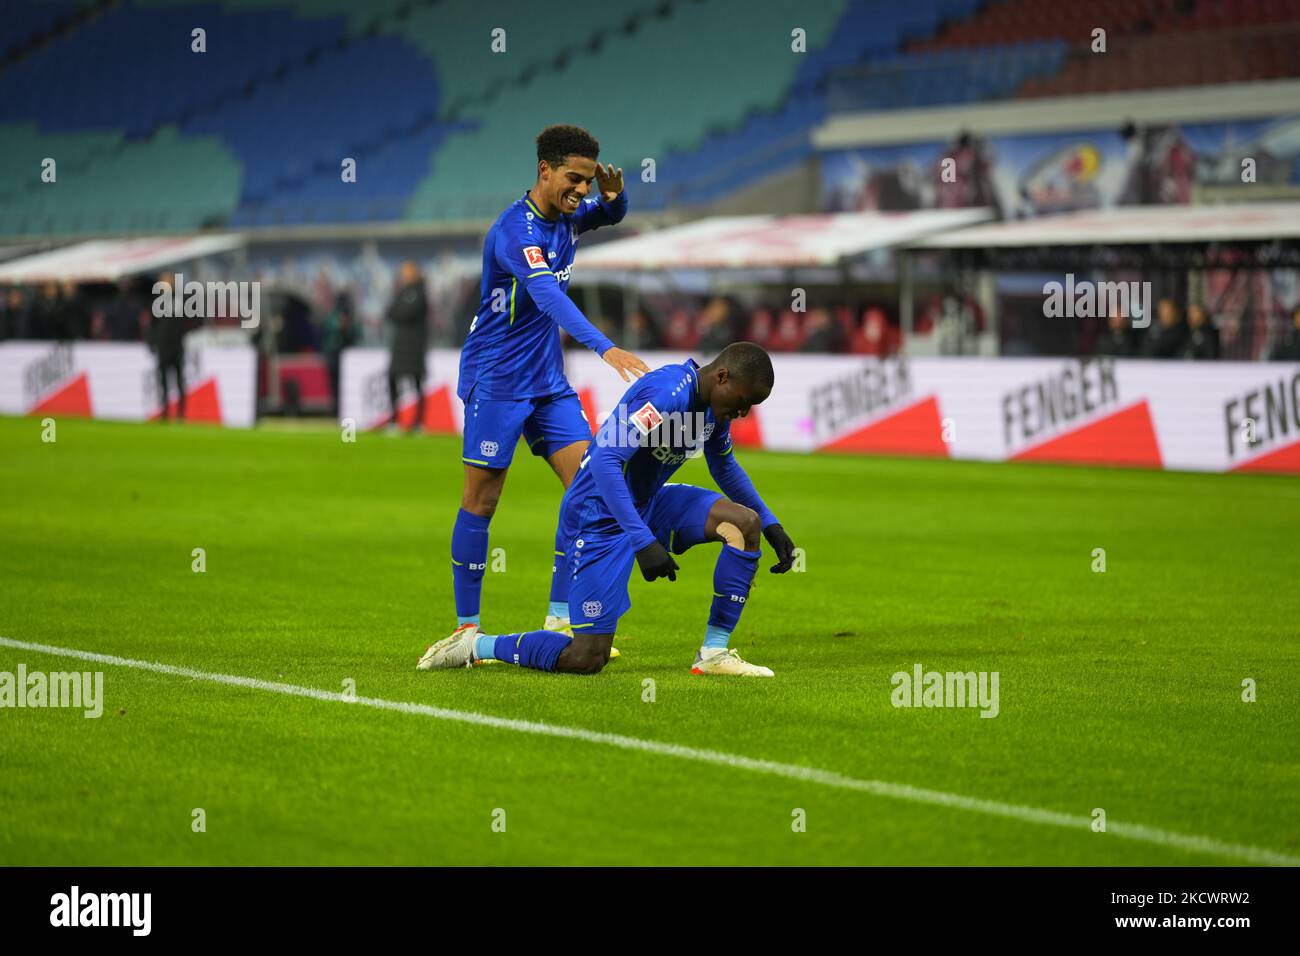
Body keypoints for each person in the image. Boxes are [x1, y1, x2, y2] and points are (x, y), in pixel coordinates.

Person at [419, 342, 797, 677]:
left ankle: (713, 653)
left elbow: (724, 466)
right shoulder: (666, 395)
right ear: (722, 375)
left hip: (647, 502)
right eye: (744, 401)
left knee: (742, 525)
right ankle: (474, 645)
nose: (744, 412)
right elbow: (605, 461)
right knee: (586, 657)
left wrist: (770, 524)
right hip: (599, 513)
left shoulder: (714, 410)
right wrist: (642, 541)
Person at [442, 124, 649, 653]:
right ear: (544, 170)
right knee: (482, 501)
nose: (581, 191)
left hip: (549, 384)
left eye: (586, 182)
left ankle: (559, 618)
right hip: (497, 380)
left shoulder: (571, 216)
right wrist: (606, 348)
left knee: (589, 487)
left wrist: (615, 194)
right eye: (573, 179)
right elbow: (549, 301)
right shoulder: (515, 232)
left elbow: (614, 213)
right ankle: (467, 627)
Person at [385, 261, 428, 433]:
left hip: (414, 345)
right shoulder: (402, 292)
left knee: (417, 383)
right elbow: (391, 312)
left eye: (407, 272)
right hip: (400, 345)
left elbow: (403, 313)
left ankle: (419, 422)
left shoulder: (419, 294)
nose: (404, 275)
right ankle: (395, 420)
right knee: (393, 380)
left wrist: (400, 311)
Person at [150, 272, 187, 421]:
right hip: (163, 346)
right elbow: (153, 325)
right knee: (163, 381)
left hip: (177, 346)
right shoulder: (157, 301)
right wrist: (153, 342)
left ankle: (181, 413)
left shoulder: (182, 299)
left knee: (179, 381)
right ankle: (164, 411)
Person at [321, 290, 359, 416]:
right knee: (336, 386)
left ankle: (340, 410)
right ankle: (337, 410)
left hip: (342, 357)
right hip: (335, 356)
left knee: (342, 386)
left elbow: (355, 335)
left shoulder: (339, 317)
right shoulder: (333, 318)